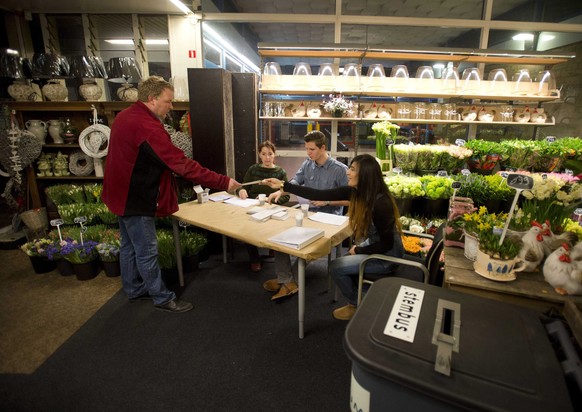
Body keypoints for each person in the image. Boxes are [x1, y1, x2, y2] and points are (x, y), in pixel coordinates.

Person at [102, 76, 241, 313]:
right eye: (168, 101)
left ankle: (134, 289)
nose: (171, 106)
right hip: (135, 197)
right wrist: (224, 181)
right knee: (146, 251)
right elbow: (181, 164)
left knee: (128, 246)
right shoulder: (147, 127)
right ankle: (162, 298)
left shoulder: (125, 116)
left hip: (118, 193)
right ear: (152, 99)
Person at [262, 154, 403, 320]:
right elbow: (318, 194)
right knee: (343, 264)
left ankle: (362, 302)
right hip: (375, 245)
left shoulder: (381, 204)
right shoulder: (356, 192)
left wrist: (359, 249)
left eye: (352, 169)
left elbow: (386, 244)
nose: (347, 173)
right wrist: (284, 185)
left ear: (365, 175)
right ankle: (366, 298)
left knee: (336, 267)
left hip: (387, 257)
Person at [265, 130, 349, 300]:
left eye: (312, 149)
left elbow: (351, 200)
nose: (308, 153)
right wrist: (280, 193)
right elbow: (295, 183)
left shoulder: (340, 170)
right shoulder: (307, 164)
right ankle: (287, 280)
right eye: (306, 149)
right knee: (277, 238)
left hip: (329, 219)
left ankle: (287, 281)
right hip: (307, 213)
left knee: (305, 244)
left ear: (323, 148)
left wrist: (328, 202)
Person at [237, 141, 289, 272]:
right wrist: (241, 191)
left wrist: (270, 200)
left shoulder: (280, 172)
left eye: (270, 154)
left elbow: (286, 196)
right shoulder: (253, 169)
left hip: (272, 208)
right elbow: (243, 187)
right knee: (246, 230)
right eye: (264, 154)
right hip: (253, 206)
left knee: (278, 227)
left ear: (274, 155)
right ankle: (254, 258)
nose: (267, 157)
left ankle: (273, 249)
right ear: (259, 155)